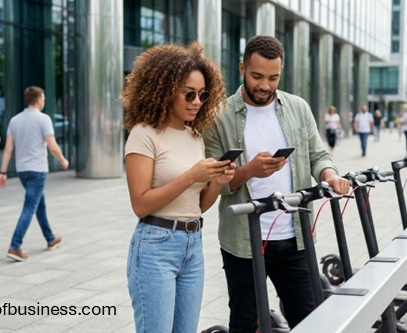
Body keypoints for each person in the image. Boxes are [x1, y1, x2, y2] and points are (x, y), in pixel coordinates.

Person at [203, 35, 350, 332]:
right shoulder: (219, 117)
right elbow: (214, 184)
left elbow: (318, 155)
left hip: (295, 237)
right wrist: (249, 171)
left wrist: (329, 174)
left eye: (273, 77)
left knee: (309, 320)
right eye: (257, 76)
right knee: (245, 321)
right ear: (242, 67)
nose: (265, 85)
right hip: (243, 242)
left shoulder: (297, 107)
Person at [122, 42, 234, 333]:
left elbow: (197, 206)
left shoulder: (194, 136)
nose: (197, 101)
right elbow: (141, 204)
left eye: (202, 94)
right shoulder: (143, 134)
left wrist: (218, 182)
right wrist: (191, 175)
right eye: (189, 93)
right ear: (165, 89)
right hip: (155, 247)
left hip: (192, 246)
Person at [0, 86, 68, 262]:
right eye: (43, 98)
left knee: (38, 205)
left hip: (22, 171)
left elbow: (8, 148)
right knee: (30, 207)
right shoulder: (44, 119)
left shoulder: (14, 120)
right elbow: (52, 145)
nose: (44, 101)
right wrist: (62, 160)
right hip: (37, 170)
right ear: (38, 100)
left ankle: (50, 239)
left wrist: (3, 171)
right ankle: (15, 246)